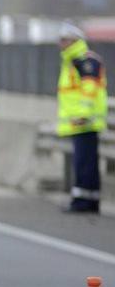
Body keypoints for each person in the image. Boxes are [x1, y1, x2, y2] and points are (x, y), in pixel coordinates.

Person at [58, 23, 107, 214]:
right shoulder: (72, 61)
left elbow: (89, 90)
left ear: (74, 40)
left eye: (64, 40)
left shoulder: (84, 61)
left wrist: (83, 115)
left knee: (84, 163)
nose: (60, 44)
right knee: (85, 162)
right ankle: (89, 200)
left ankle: (83, 201)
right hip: (79, 122)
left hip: (85, 121)